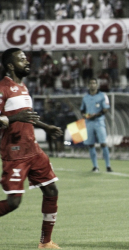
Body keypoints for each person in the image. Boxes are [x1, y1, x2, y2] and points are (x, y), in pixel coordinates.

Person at [0, 48, 63, 249]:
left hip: (34, 150)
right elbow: (14, 118)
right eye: (22, 60)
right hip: (15, 153)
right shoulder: (3, 88)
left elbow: (27, 116)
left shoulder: (24, 87)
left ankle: (45, 242)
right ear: (10, 65)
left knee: (51, 190)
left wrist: (47, 127)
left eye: (27, 59)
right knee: (13, 203)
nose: (27, 62)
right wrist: (14, 118)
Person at [80, 78, 112, 172]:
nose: (92, 85)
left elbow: (106, 109)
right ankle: (95, 166)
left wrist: (95, 115)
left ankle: (108, 166)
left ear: (97, 85)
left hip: (99, 121)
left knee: (103, 143)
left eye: (94, 83)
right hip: (88, 123)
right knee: (90, 144)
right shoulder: (85, 97)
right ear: (88, 85)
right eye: (91, 83)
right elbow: (82, 109)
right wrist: (84, 115)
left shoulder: (103, 96)